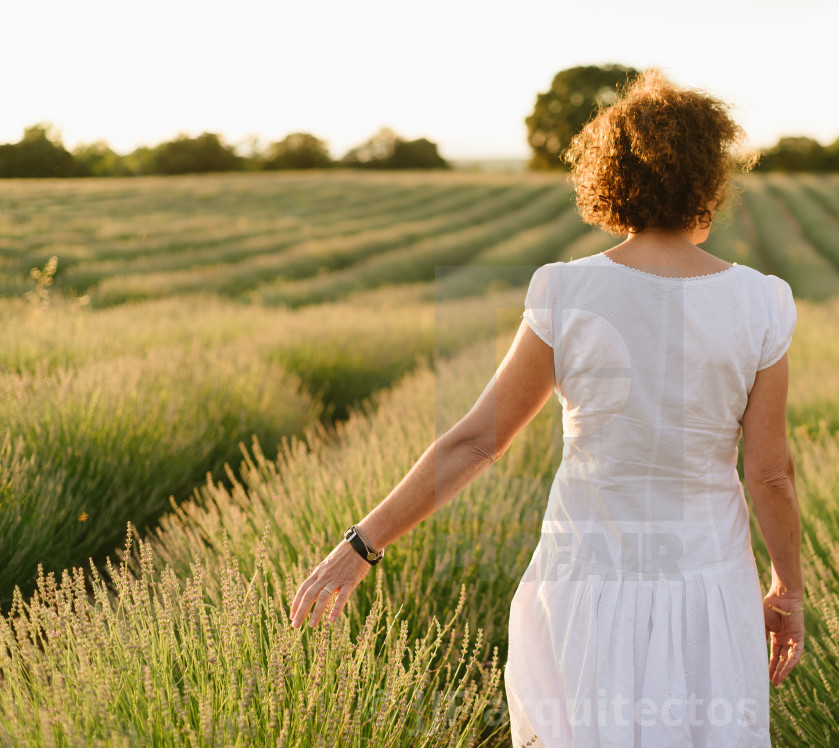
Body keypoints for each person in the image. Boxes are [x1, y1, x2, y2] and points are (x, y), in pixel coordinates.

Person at [288, 69, 805, 747]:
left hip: (584, 585)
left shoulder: (567, 291)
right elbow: (769, 475)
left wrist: (360, 546)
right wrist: (786, 592)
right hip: (709, 587)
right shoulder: (761, 301)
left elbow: (474, 443)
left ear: (612, 178)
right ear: (710, 179)